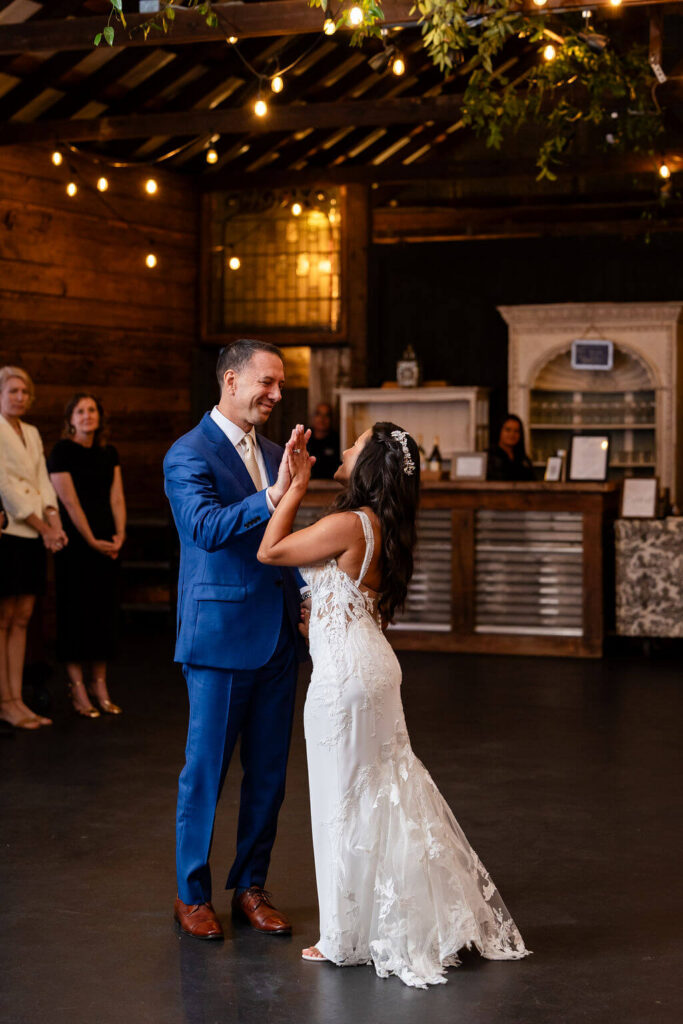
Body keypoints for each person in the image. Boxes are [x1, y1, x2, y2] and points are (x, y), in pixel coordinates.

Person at [257, 421, 529, 988]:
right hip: (372, 666)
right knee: (383, 791)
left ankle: (344, 936)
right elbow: (355, 606)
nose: (346, 448)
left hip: (345, 680)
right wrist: (322, 619)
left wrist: (296, 486)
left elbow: (270, 550)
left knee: (341, 801)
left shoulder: (349, 522)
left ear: (369, 463)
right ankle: (384, 919)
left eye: (354, 444)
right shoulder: (382, 527)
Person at [163, 338, 308, 942]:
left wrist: (303, 592)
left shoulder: (275, 451)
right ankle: (191, 895)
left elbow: (284, 539)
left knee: (269, 775)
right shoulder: (187, 453)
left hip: (278, 639)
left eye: (279, 386)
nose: (276, 394)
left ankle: (251, 886)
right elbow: (204, 528)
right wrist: (275, 493)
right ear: (230, 380)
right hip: (219, 640)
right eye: (266, 383)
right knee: (205, 773)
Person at [47, 393, 126, 718]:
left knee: (103, 614)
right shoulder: (61, 452)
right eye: (80, 411)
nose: (87, 415)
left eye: (92, 409)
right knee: (76, 613)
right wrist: (91, 540)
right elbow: (69, 502)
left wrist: (119, 535)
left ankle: (100, 684)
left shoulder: (108, 452)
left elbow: (116, 497)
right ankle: (77, 687)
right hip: (76, 543)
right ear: (70, 419)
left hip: (107, 541)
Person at [0, 366, 68, 730]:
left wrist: (54, 520)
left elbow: (42, 480)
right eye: (12, 391)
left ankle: (17, 698)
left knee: (23, 617)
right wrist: (43, 527)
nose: (20, 397)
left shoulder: (31, 432)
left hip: (35, 534)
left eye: (24, 392)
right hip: (11, 533)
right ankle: (4, 701)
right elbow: (5, 487)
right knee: (3, 618)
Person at [487, 413, 535, 482]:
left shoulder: (523, 459)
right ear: (500, 431)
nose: (512, 434)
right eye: (508, 430)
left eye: (516, 431)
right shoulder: (490, 456)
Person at [308, 402, 340, 480]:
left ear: (331, 419)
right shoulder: (304, 439)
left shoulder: (337, 440)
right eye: (318, 414)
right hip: (307, 486)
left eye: (327, 415)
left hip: (332, 486)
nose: (322, 419)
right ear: (313, 418)